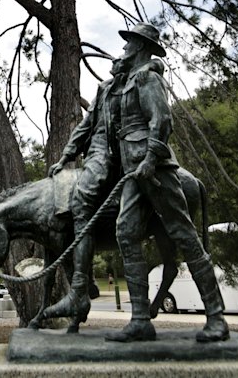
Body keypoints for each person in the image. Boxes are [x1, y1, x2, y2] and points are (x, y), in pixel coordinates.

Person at [105, 23, 229, 344]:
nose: (124, 48)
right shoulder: (130, 80)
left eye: (129, 43)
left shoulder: (147, 77)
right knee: (126, 233)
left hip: (154, 168)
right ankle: (140, 320)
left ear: (142, 47)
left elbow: (162, 120)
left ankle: (216, 317)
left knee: (184, 236)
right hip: (133, 172)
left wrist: (150, 159)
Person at [45, 56, 160, 325]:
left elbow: (151, 107)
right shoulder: (105, 88)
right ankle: (83, 286)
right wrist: (66, 156)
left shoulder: (134, 83)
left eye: (121, 60)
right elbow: (85, 125)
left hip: (112, 154)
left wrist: (154, 66)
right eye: (115, 60)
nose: (116, 60)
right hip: (95, 152)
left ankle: (79, 288)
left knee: (80, 202)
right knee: (71, 201)